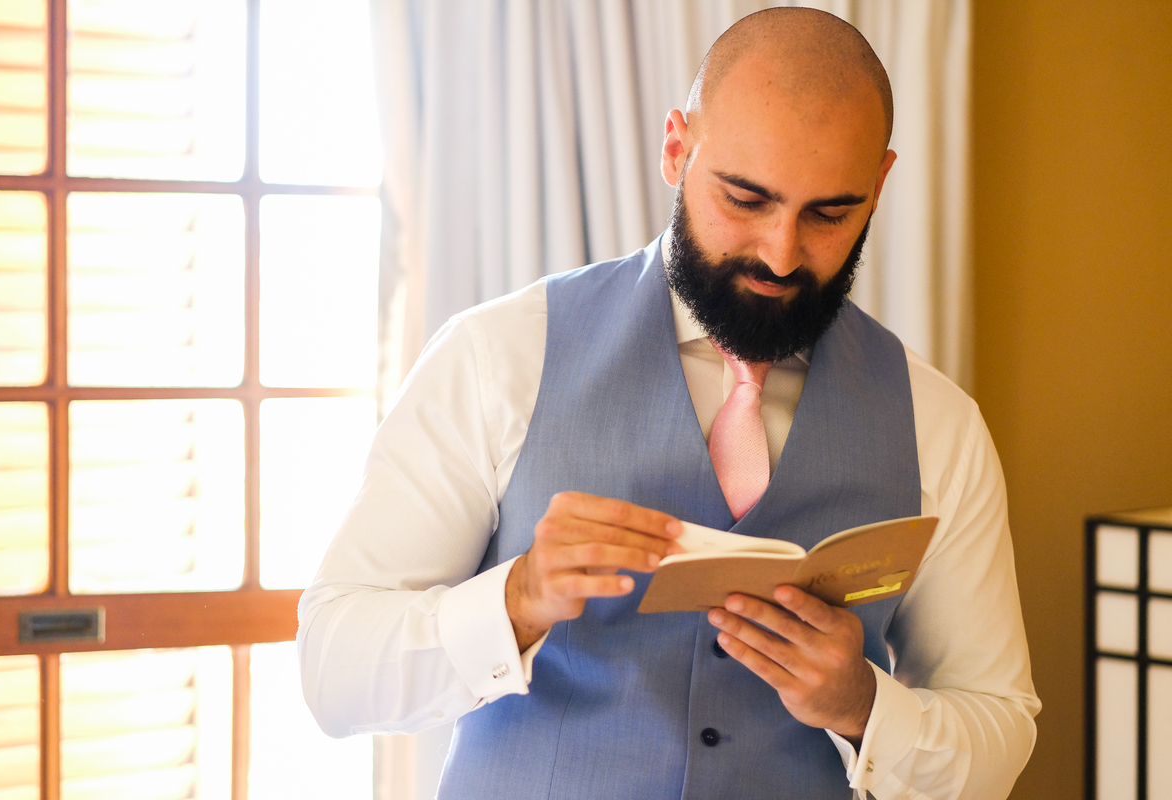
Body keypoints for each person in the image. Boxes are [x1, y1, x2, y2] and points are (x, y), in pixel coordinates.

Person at [297, 8, 1039, 799]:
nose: (781, 253)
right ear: (676, 150)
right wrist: (516, 601)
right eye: (746, 199)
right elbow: (334, 673)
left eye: (830, 213)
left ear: (880, 184)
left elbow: (1000, 726)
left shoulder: (937, 422)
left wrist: (864, 706)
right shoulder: (498, 357)